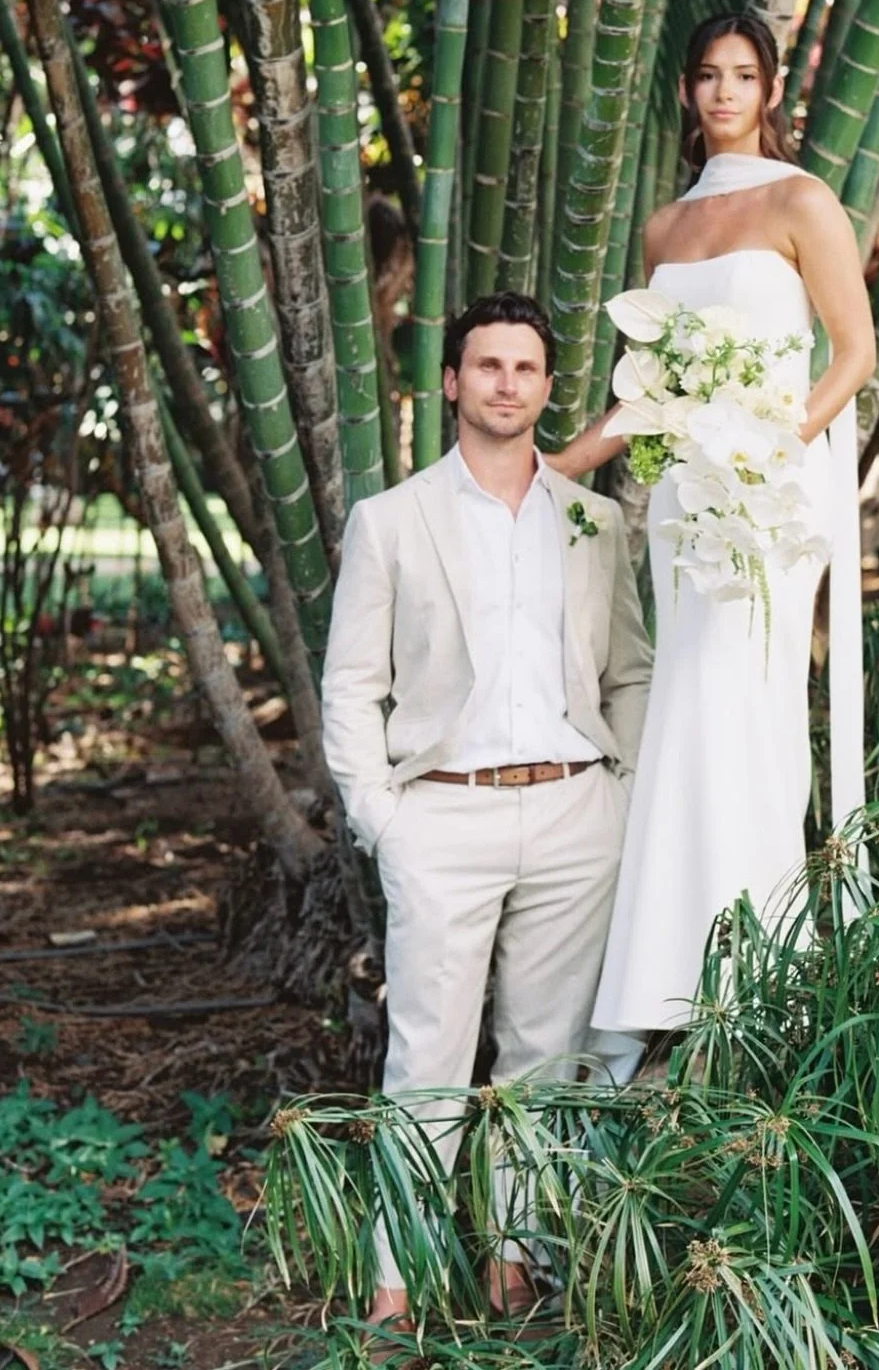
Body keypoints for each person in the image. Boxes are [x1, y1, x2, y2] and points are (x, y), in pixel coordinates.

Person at [321, 290, 652, 1330]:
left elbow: (631, 671)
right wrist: (386, 822)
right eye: (487, 365)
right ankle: (399, 1278)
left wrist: (625, 790)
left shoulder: (595, 521)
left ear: (550, 389)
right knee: (426, 1055)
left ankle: (518, 1263)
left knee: (547, 1055)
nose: (506, 383)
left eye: (526, 368)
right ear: (453, 381)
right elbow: (349, 688)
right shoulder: (392, 520)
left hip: (572, 812)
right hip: (444, 821)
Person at [551, 10, 876, 1055]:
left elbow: (853, 352)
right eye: (707, 75)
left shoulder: (800, 200)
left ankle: (754, 979)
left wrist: (773, 453)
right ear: (687, 92)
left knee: (741, 712)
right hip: (683, 504)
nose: (725, 91)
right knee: (685, 713)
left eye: (744, 74)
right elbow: (644, 389)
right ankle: (666, 975)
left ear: (771, 89)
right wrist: (551, 463)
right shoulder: (661, 231)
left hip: (768, 502)